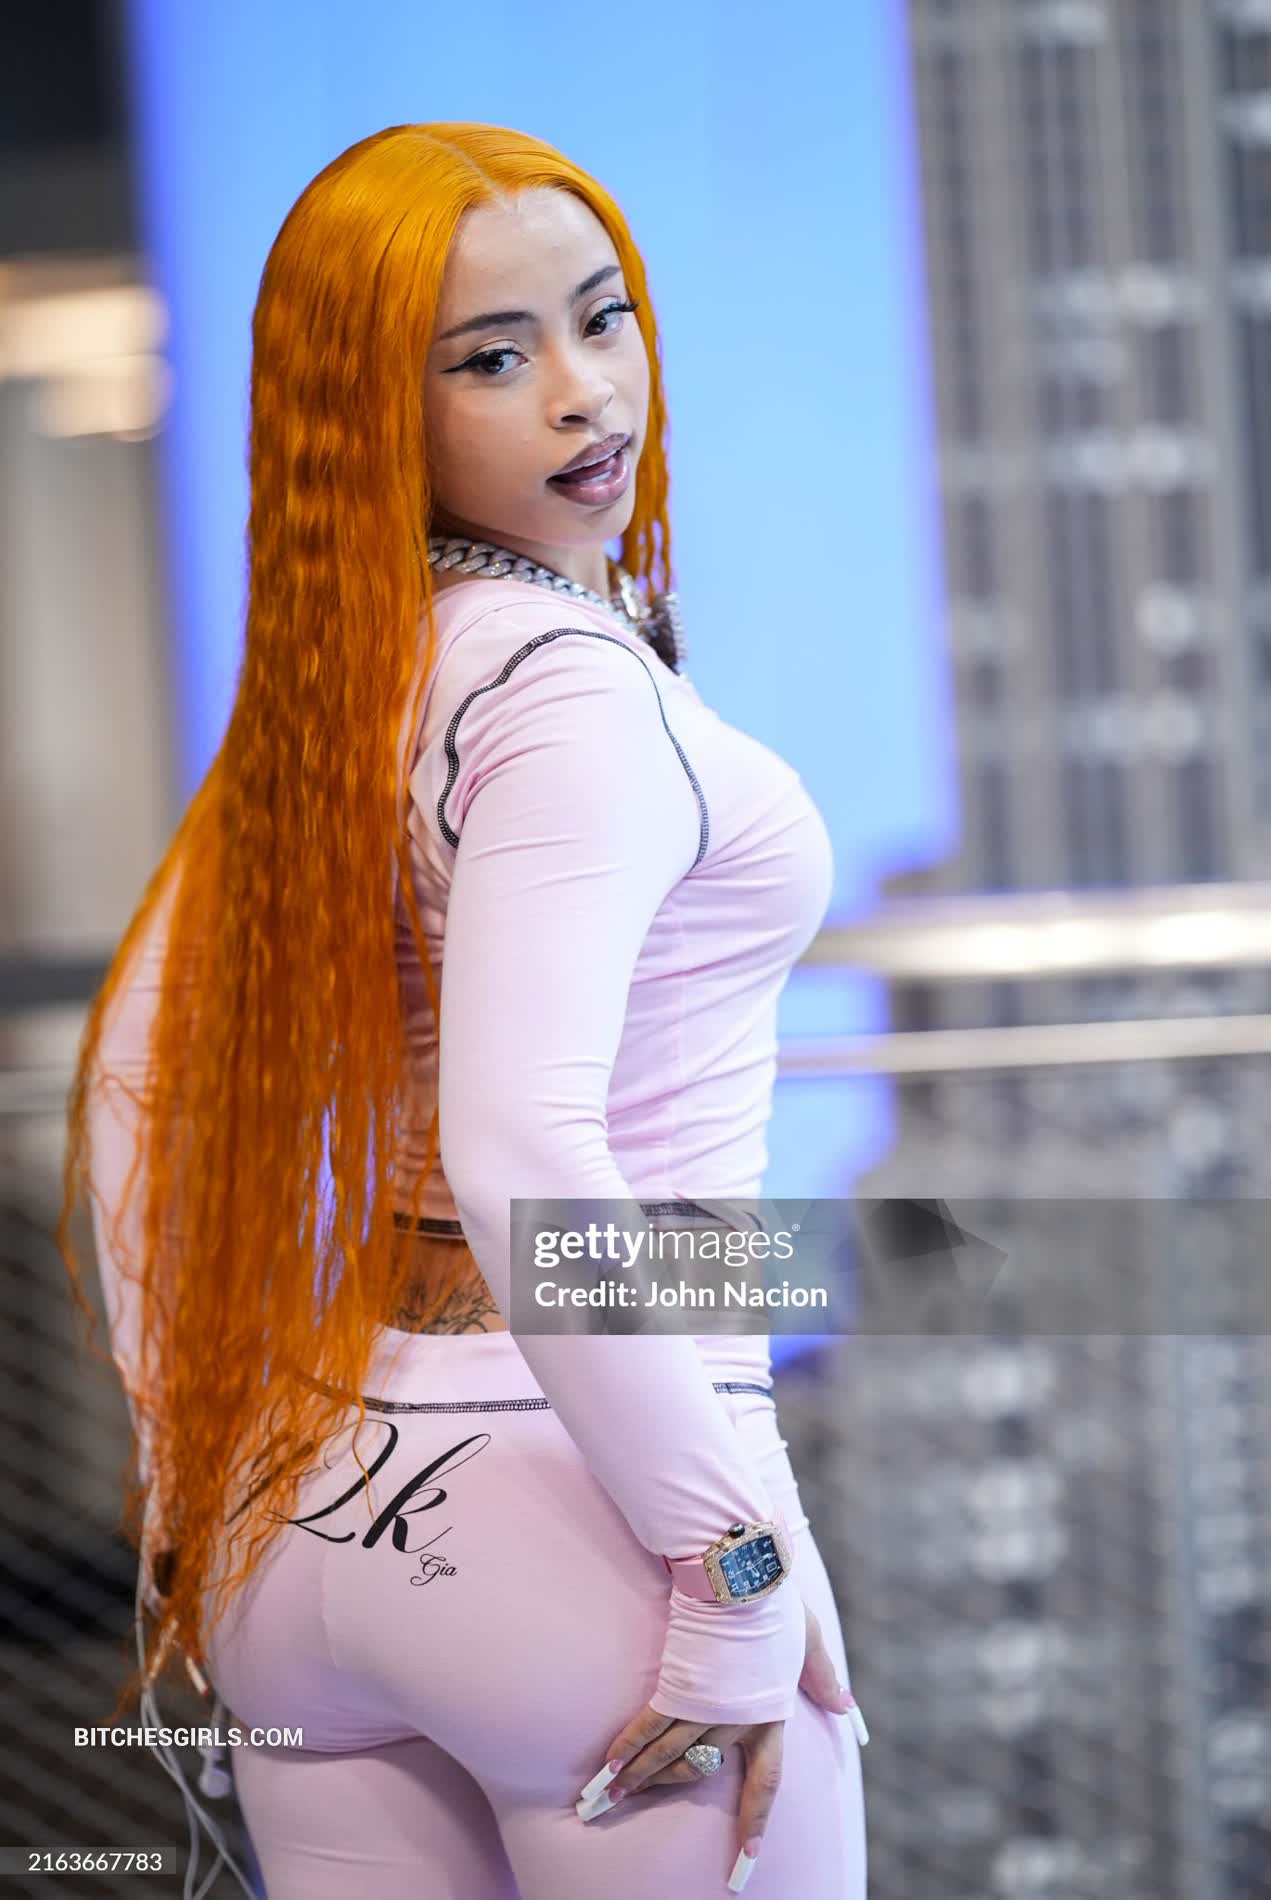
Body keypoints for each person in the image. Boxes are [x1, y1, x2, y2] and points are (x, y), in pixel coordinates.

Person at [58, 122, 867, 1897]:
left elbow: (129, 1086)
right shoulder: (570, 697)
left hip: (305, 1500)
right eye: (491, 359)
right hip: (585, 1505)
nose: (583, 393)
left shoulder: (345, 680)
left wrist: (196, 1483)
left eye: (602, 316)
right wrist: (735, 1573)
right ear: (374, 412)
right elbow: (523, 1146)